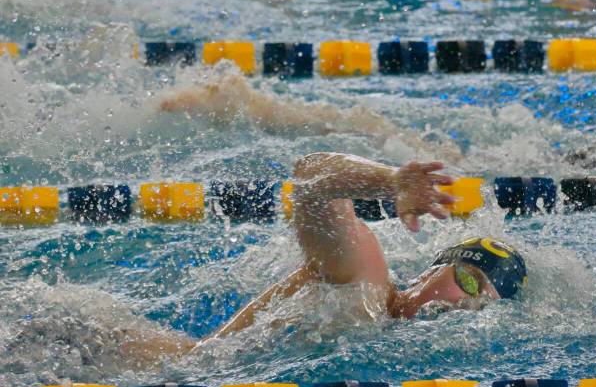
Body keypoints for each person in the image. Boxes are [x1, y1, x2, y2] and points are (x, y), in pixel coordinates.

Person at [118, 152, 528, 362]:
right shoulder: (364, 281)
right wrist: (388, 181)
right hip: (131, 356)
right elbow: (310, 176)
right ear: (433, 270)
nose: (468, 305)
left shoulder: (388, 330)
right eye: (470, 282)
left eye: (483, 303)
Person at [157, 73, 464, 163]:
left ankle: (443, 157)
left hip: (338, 127)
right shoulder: (256, 113)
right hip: (340, 125)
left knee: (358, 129)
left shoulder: (257, 115)